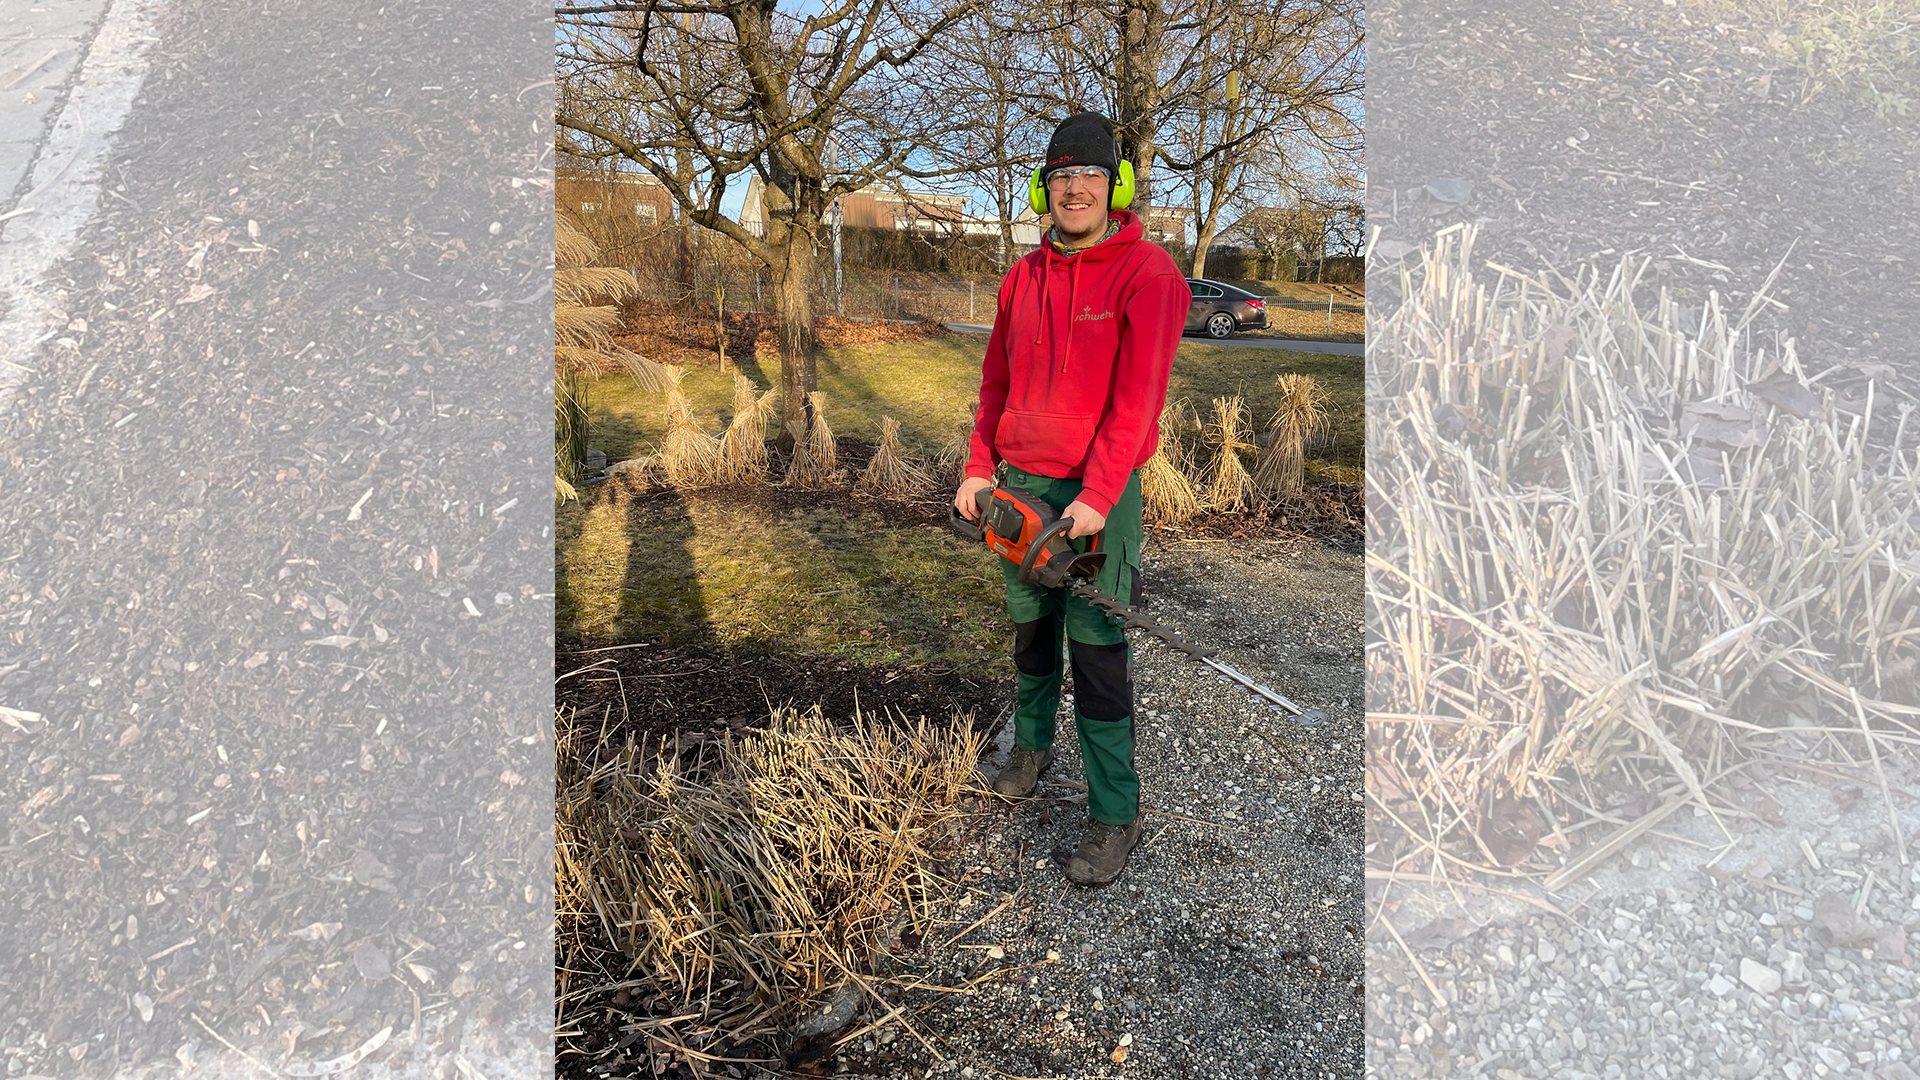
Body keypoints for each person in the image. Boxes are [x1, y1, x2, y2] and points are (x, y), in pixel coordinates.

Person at [954, 111, 1191, 886]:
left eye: (1089, 173)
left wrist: (1094, 499)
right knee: (1029, 642)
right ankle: (1028, 752)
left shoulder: (1148, 274)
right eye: (1061, 175)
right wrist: (977, 467)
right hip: (1018, 491)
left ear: (1115, 184)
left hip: (1100, 500)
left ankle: (1113, 816)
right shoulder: (1022, 276)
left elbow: (1137, 405)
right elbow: (995, 383)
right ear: (1043, 188)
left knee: (1095, 657)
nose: (1075, 187)